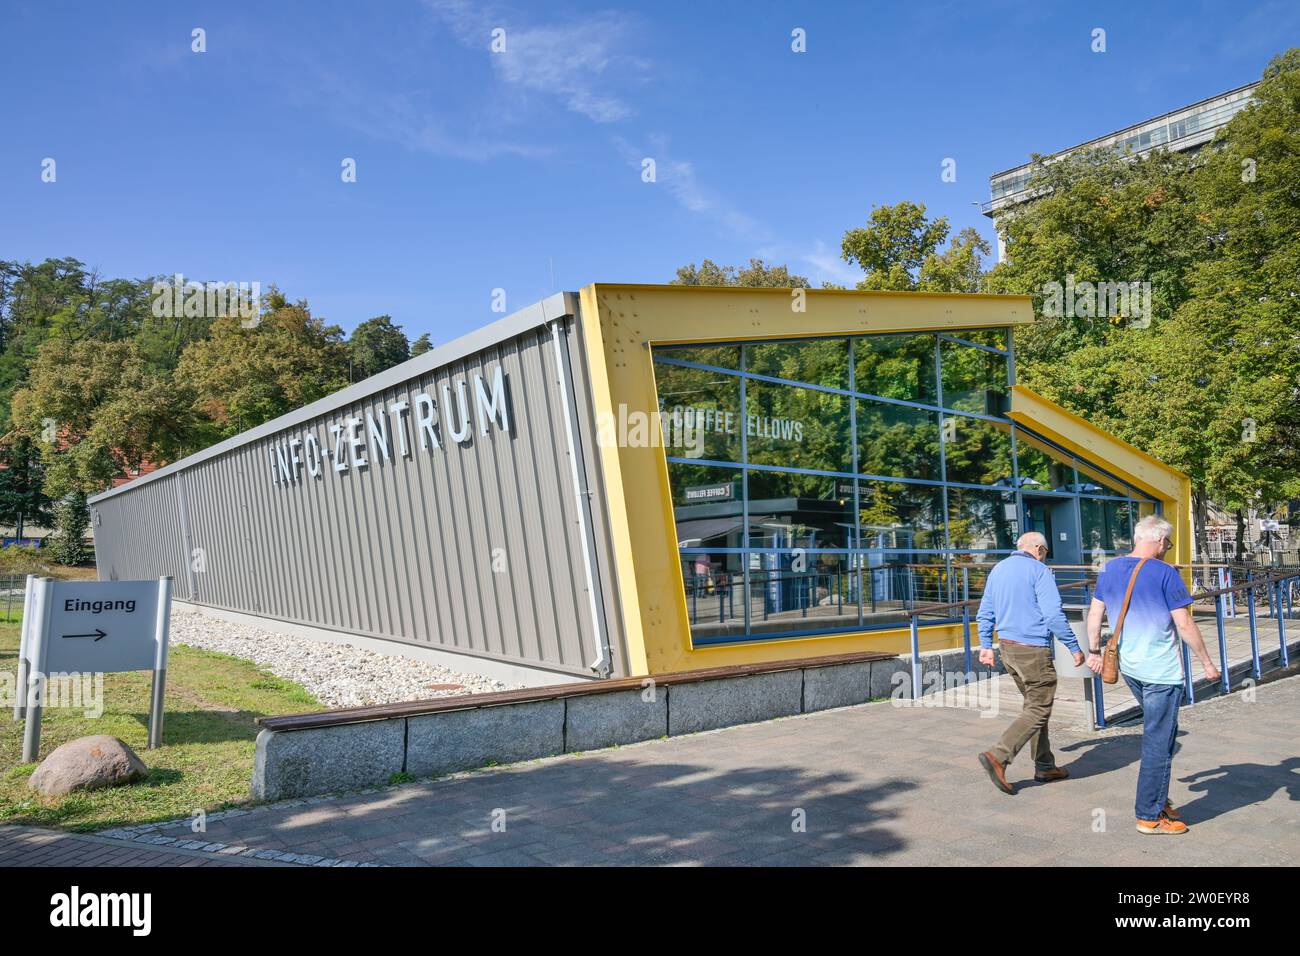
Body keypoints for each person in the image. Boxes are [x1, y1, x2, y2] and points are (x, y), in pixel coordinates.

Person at [1084, 515, 1220, 835]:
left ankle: (1158, 795)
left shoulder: (1111, 568)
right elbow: (1185, 624)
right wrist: (1207, 663)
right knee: (1159, 739)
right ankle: (1149, 814)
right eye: (1168, 543)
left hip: (1129, 667)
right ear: (1160, 541)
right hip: (1161, 672)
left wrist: (1093, 651)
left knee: (1162, 732)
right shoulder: (1165, 574)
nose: (1167, 549)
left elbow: (1095, 614)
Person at [976, 531, 1085, 794]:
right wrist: (1074, 646)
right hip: (1033, 650)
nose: (1044, 557)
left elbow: (985, 611)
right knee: (1038, 708)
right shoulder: (1039, 571)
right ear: (1038, 548)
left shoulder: (998, 570)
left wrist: (985, 646)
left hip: (1008, 649)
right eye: (1045, 552)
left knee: (1035, 706)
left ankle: (1045, 765)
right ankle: (999, 755)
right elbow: (1053, 615)